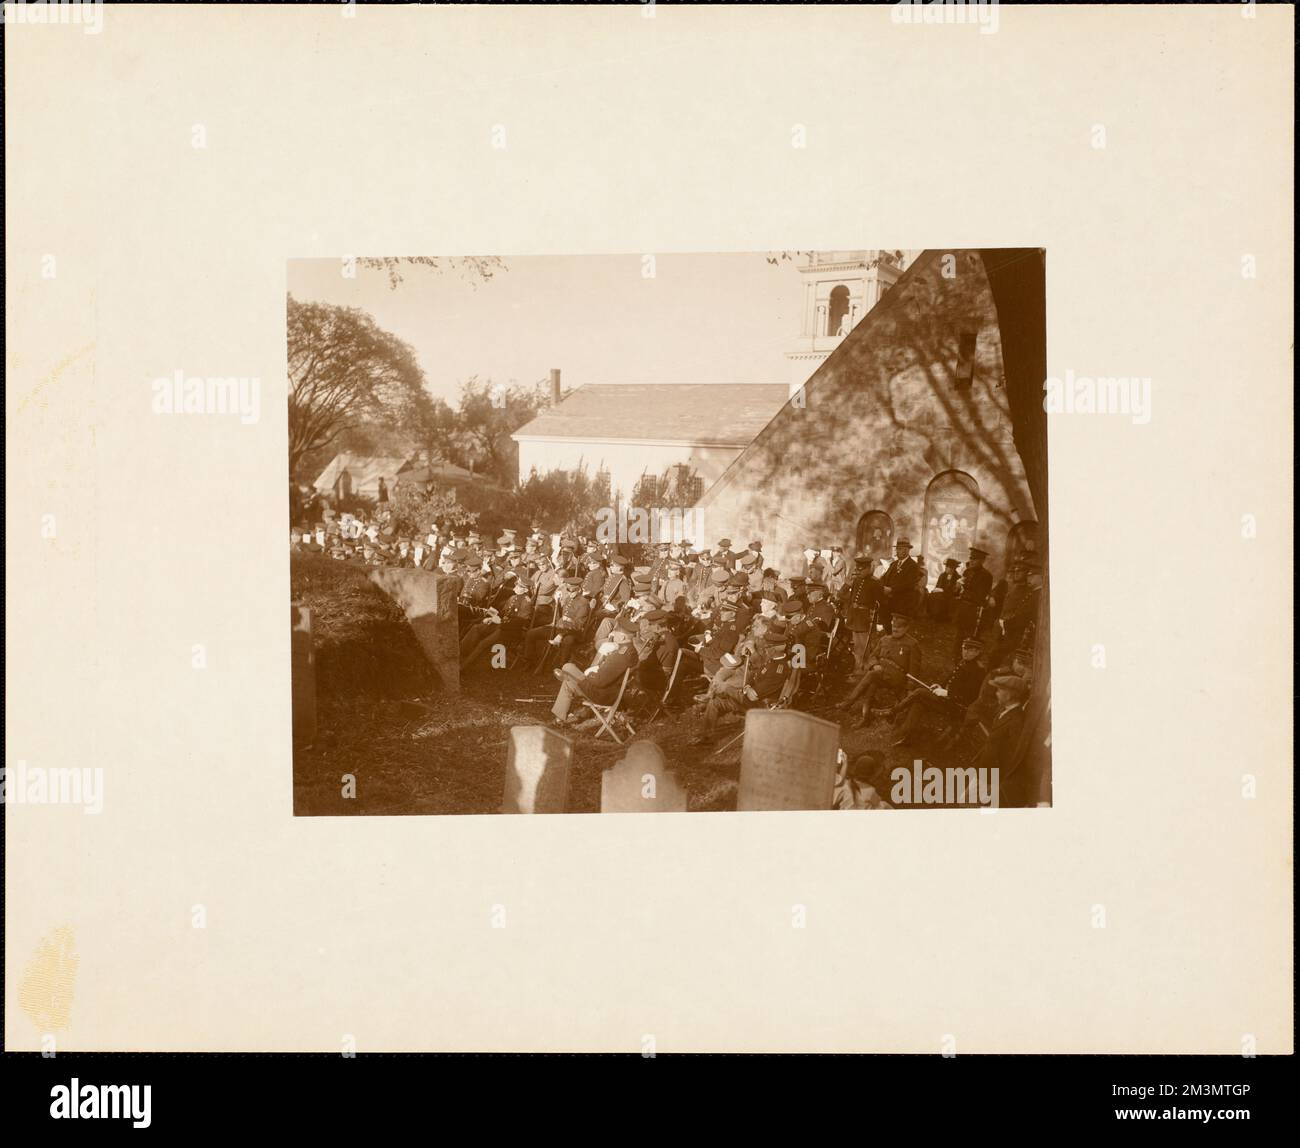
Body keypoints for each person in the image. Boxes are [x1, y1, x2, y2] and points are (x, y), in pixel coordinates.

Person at [886, 637, 988, 747]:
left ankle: (892, 712)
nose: (965, 652)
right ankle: (907, 736)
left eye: (970, 650)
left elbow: (969, 696)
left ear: (977, 652)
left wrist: (946, 693)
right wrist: (940, 686)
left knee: (920, 692)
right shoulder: (964, 662)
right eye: (964, 648)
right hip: (948, 701)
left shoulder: (979, 671)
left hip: (958, 707)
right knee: (919, 703)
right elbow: (951, 680)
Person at [836, 613, 921, 728]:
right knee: (871, 684)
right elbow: (872, 656)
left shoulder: (912, 644)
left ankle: (848, 702)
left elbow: (914, 669)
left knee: (872, 676)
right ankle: (865, 718)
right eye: (893, 626)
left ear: (906, 628)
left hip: (897, 677)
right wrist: (875, 664)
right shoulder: (885, 639)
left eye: (899, 627)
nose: (895, 629)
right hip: (880, 673)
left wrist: (909, 688)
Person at [550, 630, 638, 724]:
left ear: (622, 637)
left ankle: (560, 718)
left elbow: (599, 681)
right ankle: (559, 719)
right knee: (568, 681)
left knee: (568, 667)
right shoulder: (628, 650)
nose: (611, 634)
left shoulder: (620, 655)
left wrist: (591, 669)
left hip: (601, 694)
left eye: (615, 632)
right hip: (607, 691)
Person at [951, 546, 994, 659]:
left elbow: (980, 596)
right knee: (959, 636)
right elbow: (956, 592)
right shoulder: (967, 571)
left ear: (982, 561)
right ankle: (957, 658)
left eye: (975, 559)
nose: (972, 561)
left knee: (972, 638)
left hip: (974, 610)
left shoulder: (986, 576)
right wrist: (957, 587)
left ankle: (969, 661)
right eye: (971, 558)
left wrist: (964, 587)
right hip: (963, 608)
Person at [840, 554, 880, 674]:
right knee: (857, 645)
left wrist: (878, 620)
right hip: (855, 616)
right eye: (857, 569)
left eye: (861, 569)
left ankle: (865, 669)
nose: (858, 572)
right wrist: (847, 584)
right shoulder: (856, 581)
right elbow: (842, 595)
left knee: (865, 646)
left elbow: (881, 602)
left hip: (865, 618)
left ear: (868, 569)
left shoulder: (875, 583)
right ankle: (859, 668)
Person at [878, 538, 925, 630]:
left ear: (906, 550)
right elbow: (884, 577)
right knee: (886, 624)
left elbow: (909, 584)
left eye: (899, 549)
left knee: (899, 627)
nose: (897, 551)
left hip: (903, 603)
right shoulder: (894, 564)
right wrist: (881, 585)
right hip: (889, 601)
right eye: (897, 549)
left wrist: (891, 589)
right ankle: (889, 638)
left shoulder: (913, 566)